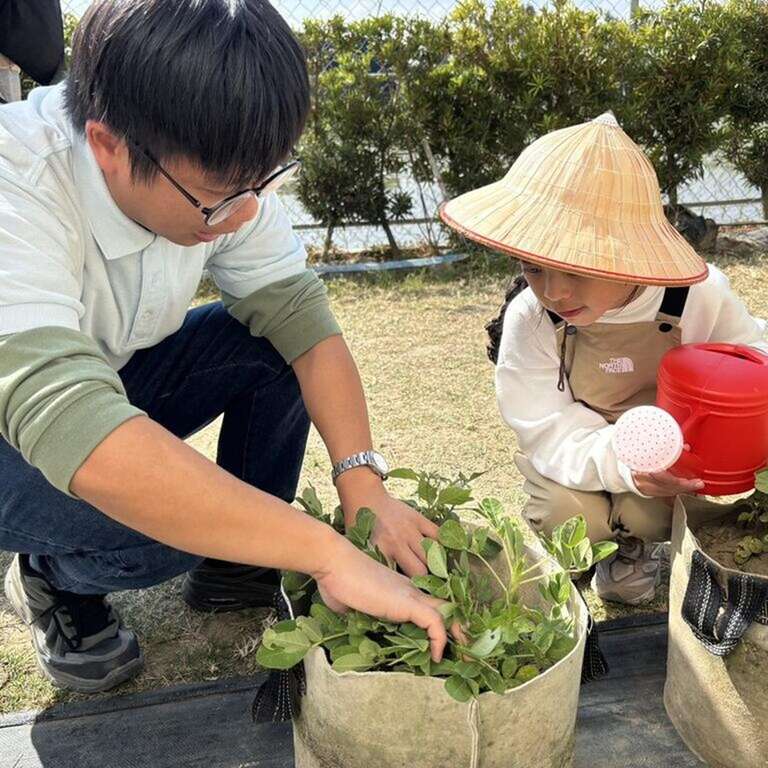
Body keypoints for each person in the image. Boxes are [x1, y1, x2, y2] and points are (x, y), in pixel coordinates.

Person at [0, 0, 447, 694]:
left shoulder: (211, 167)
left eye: (259, 187)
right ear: (107, 144)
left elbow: (301, 319)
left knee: (271, 348)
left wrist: (362, 481)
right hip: (18, 427)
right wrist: (324, 552)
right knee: (171, 528)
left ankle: (240, 565)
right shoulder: (15, 182)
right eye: (217, 198)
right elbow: (71, 422)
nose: (243, 214)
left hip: (103, 376)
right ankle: (50, 577)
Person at [440, 112, 768, 606]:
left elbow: (753, 358)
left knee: (653, 512)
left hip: (664, 456)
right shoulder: (530, 317)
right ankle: (571, 562)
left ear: (628, 254)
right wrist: (622, 462)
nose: (554, 290)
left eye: (577, 268)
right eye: (533, 267)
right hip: (574, 450)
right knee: (567, 513)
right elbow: (546, 428)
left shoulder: (697, 296)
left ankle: (634, 551)